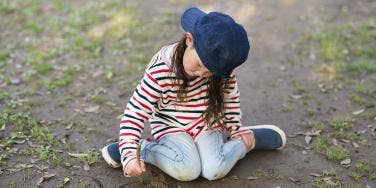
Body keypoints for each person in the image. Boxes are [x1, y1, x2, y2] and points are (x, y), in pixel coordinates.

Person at [101, 7, 286, 181]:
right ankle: (141, 150)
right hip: (170, 125)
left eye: (210, 71)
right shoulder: (161, 70)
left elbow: (230, 97)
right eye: (199, 65)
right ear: (189, 40)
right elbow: (135, 112)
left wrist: (235, 130)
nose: (203, 74)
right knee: (188, 170)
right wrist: (129, 151)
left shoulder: (220, 68)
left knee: (214, 170)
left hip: (206, 122)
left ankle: (249, 141)